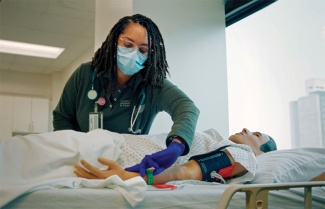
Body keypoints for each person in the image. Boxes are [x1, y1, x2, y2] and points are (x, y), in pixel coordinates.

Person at [53, 14, 200, 176]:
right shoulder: (86, 74)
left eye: (143, 50)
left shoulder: (153, 85)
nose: (133, 53)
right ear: (114, 40)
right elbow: (62, 117)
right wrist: (70, 152)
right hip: (81, 161)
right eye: (128, 44)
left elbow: (187, 108)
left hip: (125, 166)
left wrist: (177, 145)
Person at [74, 128, 277, 184]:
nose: (246, 129)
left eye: (257, 135)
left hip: (116, 158)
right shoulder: (219, 141)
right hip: (110, 143)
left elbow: (182, 173)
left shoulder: (245, 156)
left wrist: (134, 177)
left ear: (261, 152)